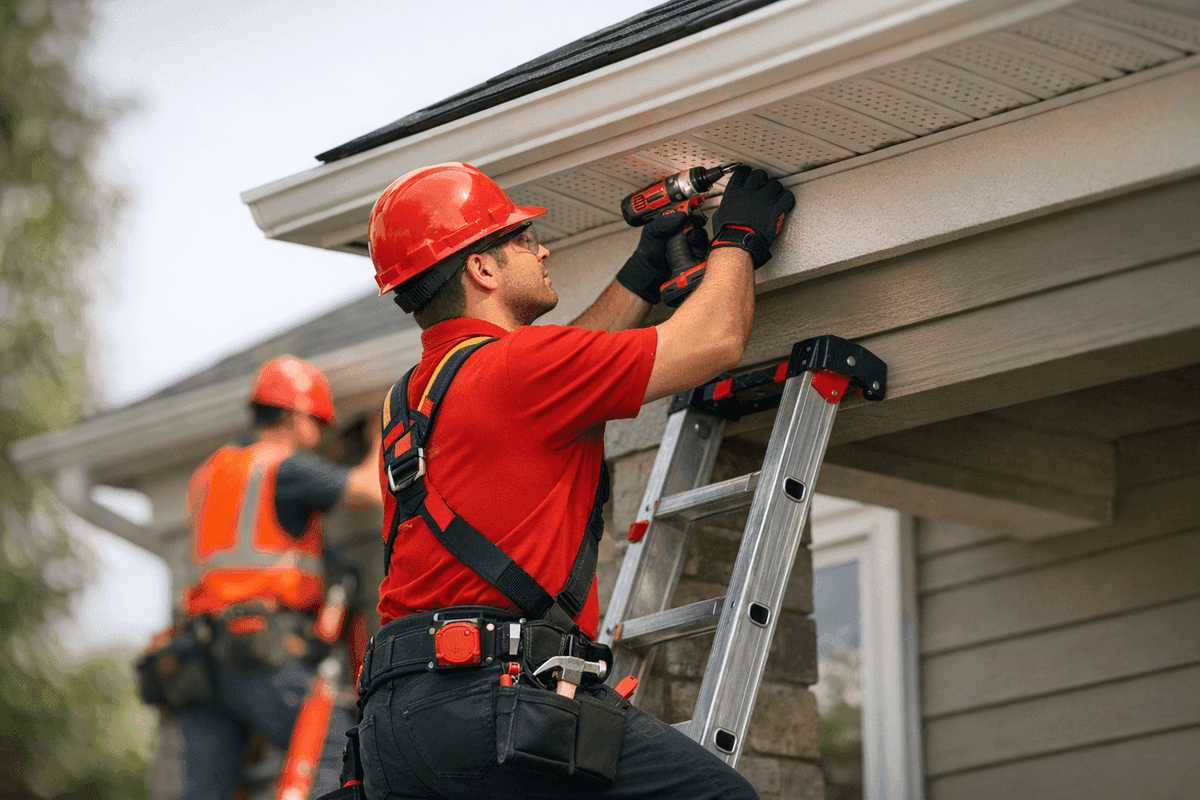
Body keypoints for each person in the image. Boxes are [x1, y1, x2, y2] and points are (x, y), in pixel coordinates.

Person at [355, 162, 793, 799]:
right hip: (492, 702)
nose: (543, 248)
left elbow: (568, 359)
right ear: (483, 269)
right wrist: (740, 240)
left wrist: (643, 271)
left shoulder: (413, 400)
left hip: (396, 725)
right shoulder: (523, 368)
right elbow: (715, 339)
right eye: (524, 240)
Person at [148, 356, 384, 800]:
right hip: (259, 652)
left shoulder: (210, 472)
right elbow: (369, 489)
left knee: (206, 791)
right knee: (336, 750)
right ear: (295, 416)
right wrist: (377, 434)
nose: (321, 435)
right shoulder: (284, 468)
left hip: (199, 658)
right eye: (318, 422)